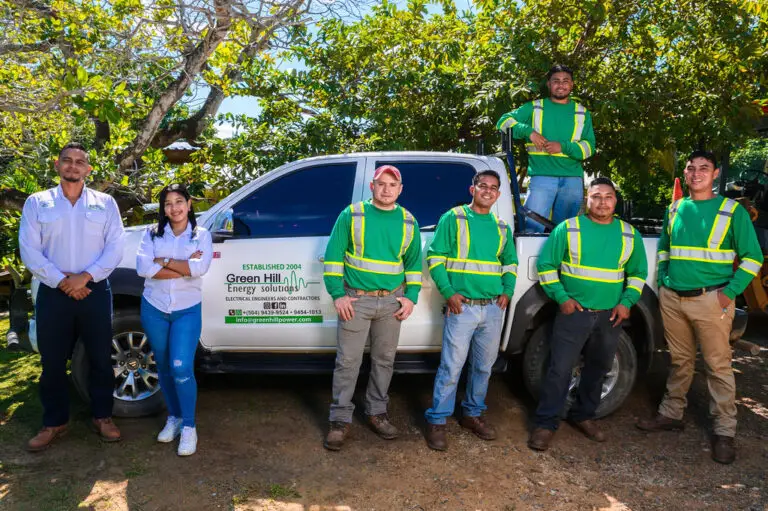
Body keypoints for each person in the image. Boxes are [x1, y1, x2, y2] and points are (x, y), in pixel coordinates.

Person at [637, 150, 762, 464]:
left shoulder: (731, 211)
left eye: (703, 168)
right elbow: (665, 247)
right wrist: (664, 279)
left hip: (712, 299)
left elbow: (753, 258)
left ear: (715, 174)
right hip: (674, 298)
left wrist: (728, 293)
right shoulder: (676, 207)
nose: (696, 174)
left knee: (718, 366)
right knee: (679, 361)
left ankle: (724, 431)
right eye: (691, 168)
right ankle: (671, 414)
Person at [19, 142, 125, 451]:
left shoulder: (105, 203)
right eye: (68, 160)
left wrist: (85, 277)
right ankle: (54, 422)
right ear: (57, 164)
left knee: (100, 359)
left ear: (88, 170)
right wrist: (62, 280)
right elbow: (29, 249)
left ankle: (103, 417)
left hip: (94, 290)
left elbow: (115, 246)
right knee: (51, 361)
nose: (73, 166)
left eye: (80, 162)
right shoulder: (37, 203)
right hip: (54, 292)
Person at [529, 177, 647, 451]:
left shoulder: (629, 234)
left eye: (607, 196)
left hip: (610, 315)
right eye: (596, 196)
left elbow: (638, 273)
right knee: (559, 369)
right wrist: (562, 298)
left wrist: (627, 302)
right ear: (587, 199)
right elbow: (546, 265)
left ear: (615, 201)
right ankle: (546, 423)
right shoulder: (568, 229)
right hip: (574, 313)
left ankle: (584, 416)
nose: (602, 202)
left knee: (598, 368)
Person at [321, 165, 423, 451]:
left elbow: (414, 265)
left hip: (392, 301)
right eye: (381, 184)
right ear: (372, 186)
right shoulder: (352, 214)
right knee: (348, 361)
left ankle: (377, 413)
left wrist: (411, 296)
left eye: (393, 185)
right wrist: (338, 295)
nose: (387, 189)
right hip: (357, 300)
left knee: (384, 361)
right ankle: (340, 420)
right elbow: (333, 257)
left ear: (400, 189)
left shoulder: (407, 221)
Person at [423, 170, 518, 451]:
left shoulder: (502, 227)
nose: (488, 191)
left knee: (483, 367)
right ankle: (438, 421)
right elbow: (435, 257)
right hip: (462, 308)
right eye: (482, 186)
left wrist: (508, 291)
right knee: (451, 367)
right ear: (472, 189)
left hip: (491, 309)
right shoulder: (454, 218)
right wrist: (449, 293)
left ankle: (472, 415)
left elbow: (509, 263)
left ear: (498, 194)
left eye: (493, 188)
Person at [136, 184, 213, 456]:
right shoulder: (151, 233)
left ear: (189, 204)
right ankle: (175, 418)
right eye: (168, 203)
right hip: (154, 308)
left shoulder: (200, 235)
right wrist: (181, 265)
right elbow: (143, 268)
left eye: (179, 201)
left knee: (181, 367)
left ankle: (190, 426)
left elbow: (200, 268)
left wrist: (164, 260)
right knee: (165, 367)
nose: (174, 208)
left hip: (187, 310)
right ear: (163, 208)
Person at [496, 64, 596, 233]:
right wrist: (529, 132)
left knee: (566, 232)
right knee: (532, 229)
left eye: (565, 81)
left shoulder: (582, 113)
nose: (561, 84)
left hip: (572, 179)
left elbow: (589, 148)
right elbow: (503, 122)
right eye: (556, 81)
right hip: (542, 177)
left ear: (572, 85)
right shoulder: (534, 107)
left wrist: (562, 147)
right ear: (549, 84)